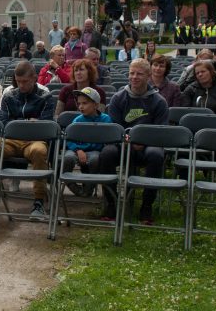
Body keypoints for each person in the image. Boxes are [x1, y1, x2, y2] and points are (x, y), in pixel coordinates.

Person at [0, 60, 54, 221]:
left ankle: (38, 202)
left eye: (25, 82)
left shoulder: (45, 97)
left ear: (34, 78)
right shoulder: (9, 95)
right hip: (11, 140)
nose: (21, 85)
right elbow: (3, 122)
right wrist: (27, 123)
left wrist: (18, 123)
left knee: (39, 152)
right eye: (18, 81)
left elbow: (46, 124)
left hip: (35, 141)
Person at [97, 58, 170, 223]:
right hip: (123, 144)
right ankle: (112, 203)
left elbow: (160, 131)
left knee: (156, 156)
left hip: (148, 145)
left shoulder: (159, 101)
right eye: (132, 73)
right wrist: (126, 140)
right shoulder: (118, 98)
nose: (134, 77)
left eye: (139, 74)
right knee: (107, 153)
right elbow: (115, 128)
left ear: (148, 76)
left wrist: (141, 141)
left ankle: (146, 206)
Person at [62, 87, 111, 196]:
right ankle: (74, 188)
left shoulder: (105, 120)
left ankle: (88, 189)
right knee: (67, 158)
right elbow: (68, 139)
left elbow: (107, 138)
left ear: (96, 105)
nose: (81, 107)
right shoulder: (77, 120)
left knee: (95, 160)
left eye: (85, 103)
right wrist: (78, 150)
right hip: (76, 149)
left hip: (94, 150)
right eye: (79, 103)